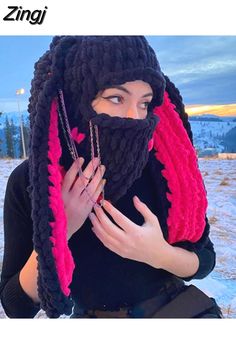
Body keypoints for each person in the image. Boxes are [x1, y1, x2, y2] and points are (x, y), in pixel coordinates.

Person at [0, 36, 223, 318]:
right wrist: (60, 229)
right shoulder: (33, 182)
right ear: (76, 97)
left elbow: (205, 260)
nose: (134, 117)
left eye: (144, 103)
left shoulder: (162, 164)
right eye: (116, 98)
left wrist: (159, 253)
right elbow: (15, 305)